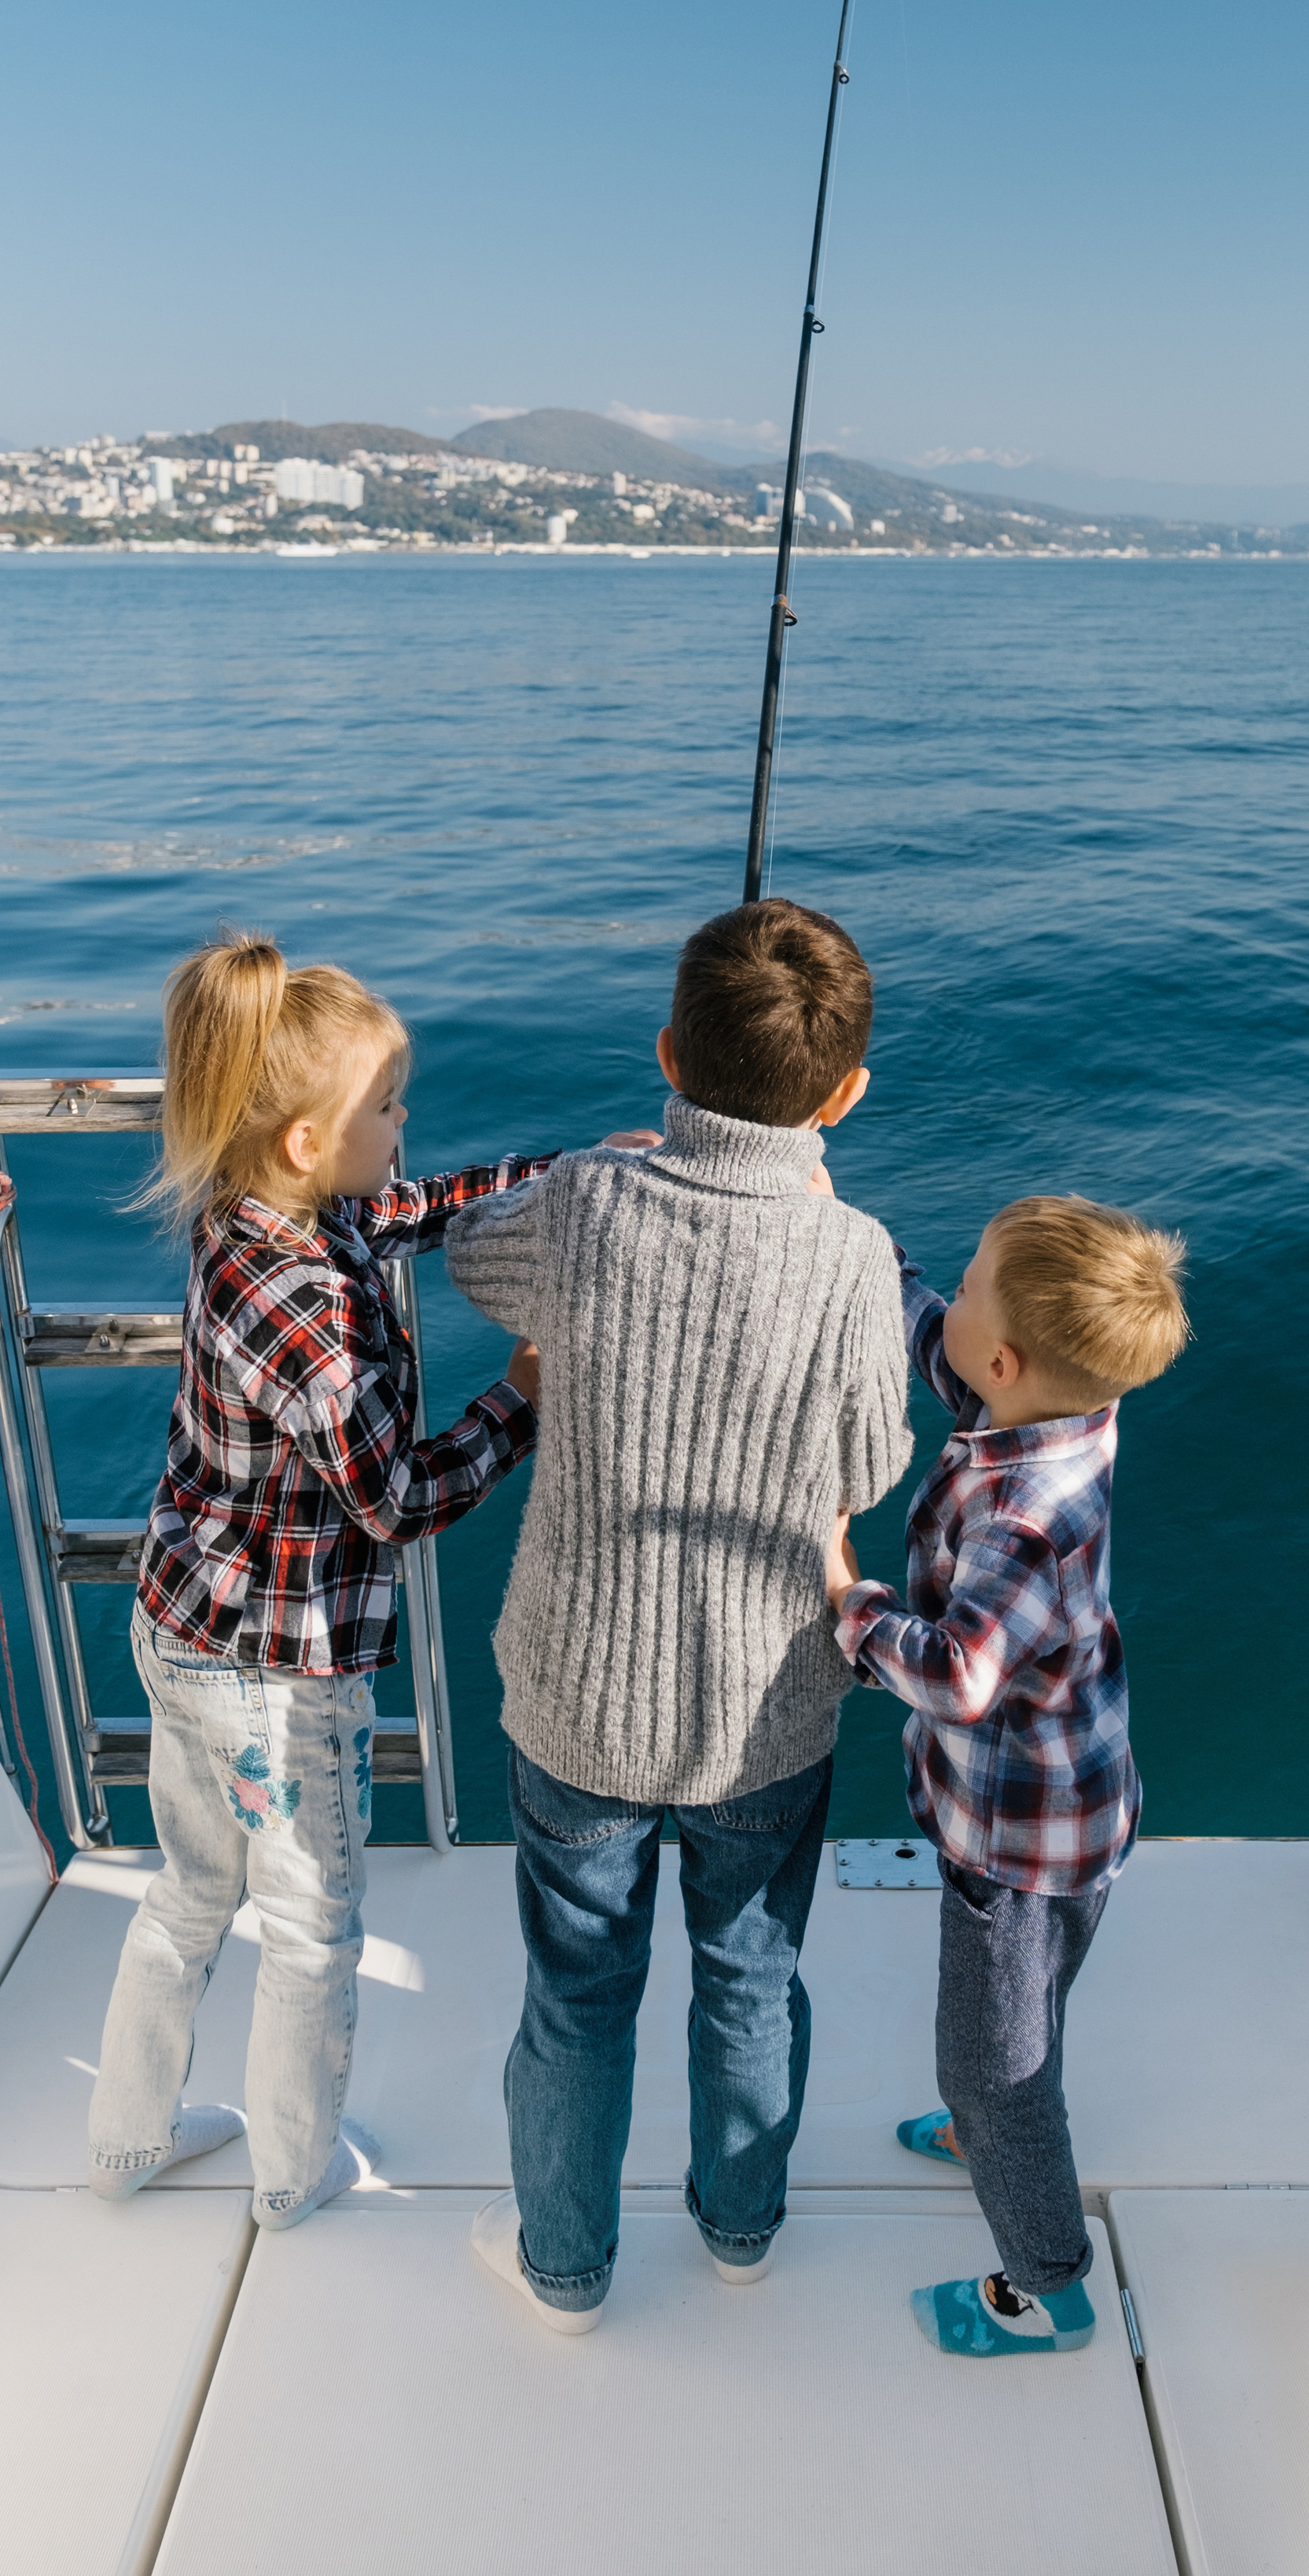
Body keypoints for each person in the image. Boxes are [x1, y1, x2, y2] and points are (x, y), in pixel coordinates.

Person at [443, 896, 914, 2331]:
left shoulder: (584, 1205)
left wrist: (611, 1163)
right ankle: (741, 2227)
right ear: (845, 1094)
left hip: (579, 1700)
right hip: (767, 1714)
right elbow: (873, 1464)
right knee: (750, 1980)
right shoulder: (852, 1255)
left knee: (577, 1999)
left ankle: (567, 2268)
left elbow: (471, 1252)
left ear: (665, 1051)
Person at [86, 932, 550, 2232]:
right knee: (310, 1925)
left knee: (185, 1894)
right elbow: (395, 1499)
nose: (405, 1129)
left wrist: (556, 1174)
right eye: (388, 1107)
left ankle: (126, 2135)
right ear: (306, 1137)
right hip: (275, 1681)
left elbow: (396, 1207)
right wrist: (516, 1402)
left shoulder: (252, 1216)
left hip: (179, 1626)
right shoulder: (313, 1315)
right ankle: (293, 2172)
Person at [829, 1193, 1189, 2357]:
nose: (954, 1303)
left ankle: (1047, 2286)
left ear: (1007, 1359)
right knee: (1030, 2002)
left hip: (1019, 1842)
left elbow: (955, 1678)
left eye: (972, 1286)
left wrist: (847, 1598)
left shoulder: (1028, 1517)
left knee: (993, 2064)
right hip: (1070, 1805)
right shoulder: (1060, 1406)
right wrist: (855, 1238)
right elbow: (939, 1332)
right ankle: (993, 2136)